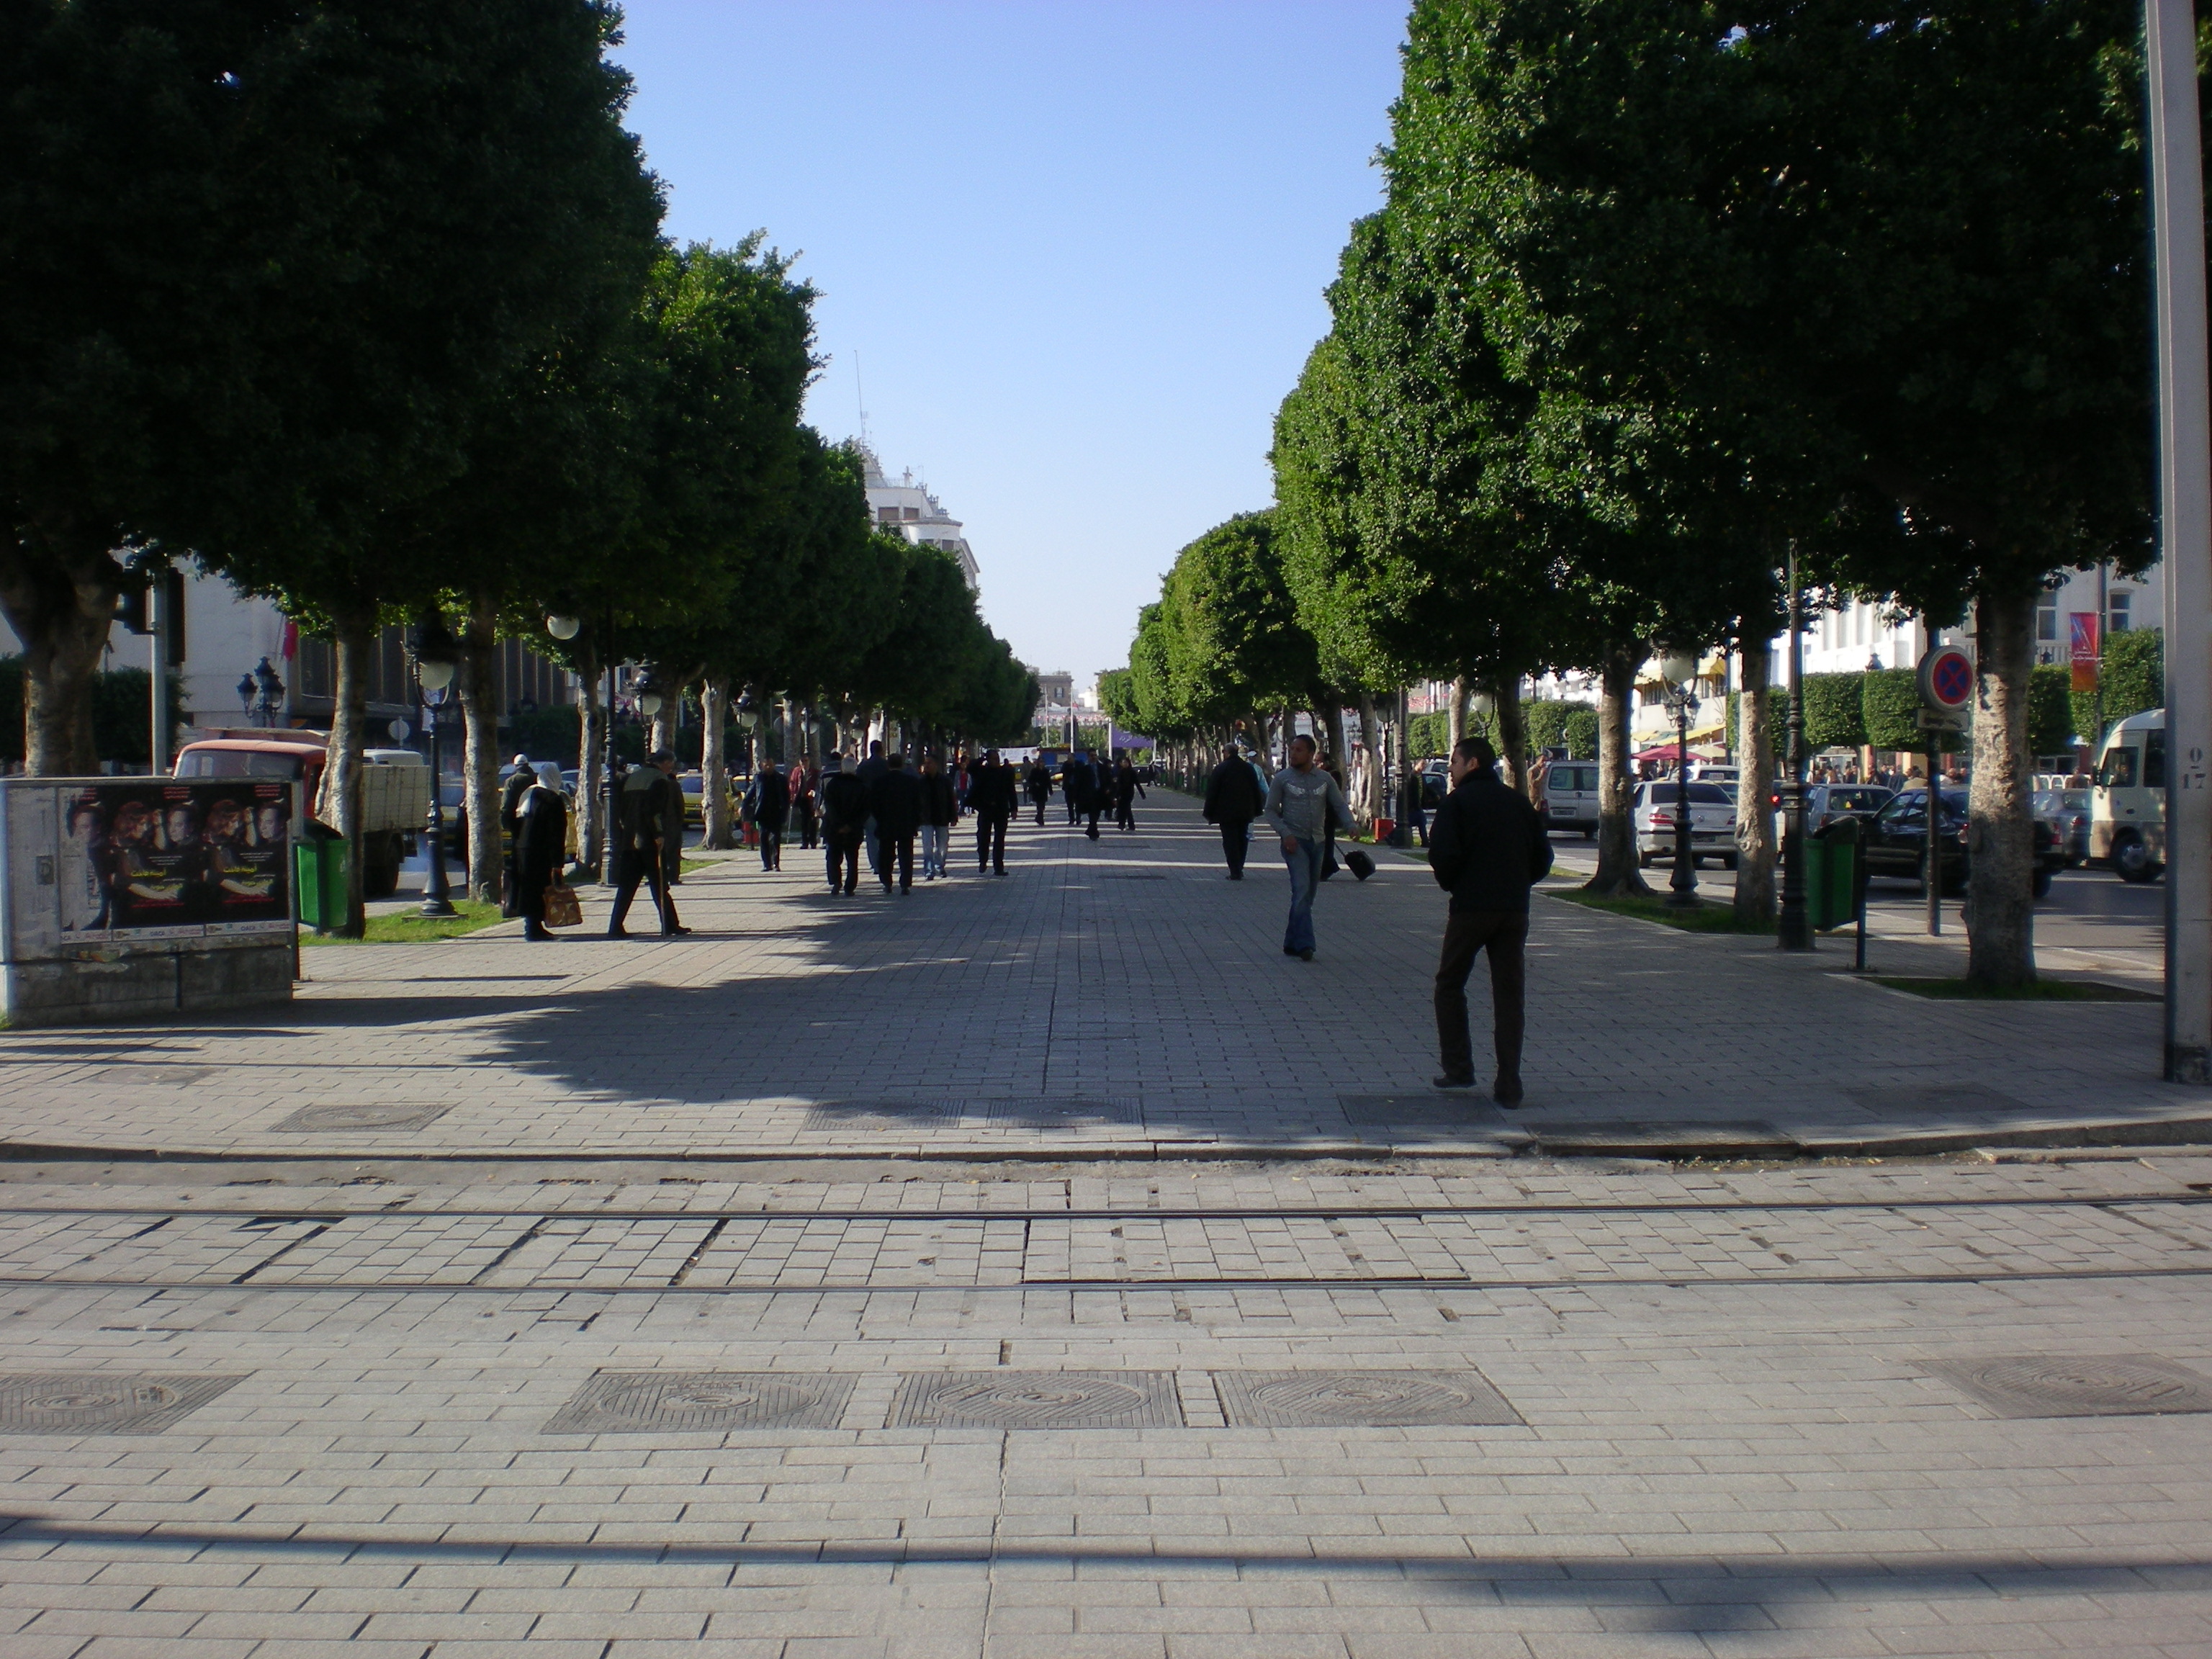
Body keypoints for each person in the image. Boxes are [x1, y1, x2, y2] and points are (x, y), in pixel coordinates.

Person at [1426, 735, 1553, 1103]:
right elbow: (1543, 857)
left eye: (1454, 762)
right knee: (1509, 994)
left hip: (1471, 908)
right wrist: (1517, 883)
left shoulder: (1457, 803)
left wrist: (1455, 884)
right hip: (1514, 909)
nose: (1450, 769)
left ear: (1472, 764)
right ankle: (1509, 1082)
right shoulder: (1517, 803)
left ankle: (1459, 1069)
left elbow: (1443, 854)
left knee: (1450, 984)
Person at [1262, 732, 1353, 961]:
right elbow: (1270, 811)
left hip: (1318, 842)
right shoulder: (1283, 779)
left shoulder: (1324, 779)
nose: (1293, 754)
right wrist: (1286, 834)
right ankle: (1306, 944)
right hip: (1295, 843)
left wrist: (1350, 824)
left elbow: (1339, 804)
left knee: (1308, 895)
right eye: (1291, 749)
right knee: (1301, 890)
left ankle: (1291, 941)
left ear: (1311, 754)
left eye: (1298, 750)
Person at [607, 748, 689, 937]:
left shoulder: (632, 778)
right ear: (665, 763)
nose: (672, 768)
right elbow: (654, 811)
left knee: (626, 887)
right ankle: (669, 925)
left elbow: (621, 810)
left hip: (630, 839)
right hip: (649, 841)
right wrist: (658, 834)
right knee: (659, 884)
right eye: (671, 763)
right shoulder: (660, 780)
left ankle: (615, 927)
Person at [513, 762, 570, 942]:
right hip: (541, 851)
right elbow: (556, 833)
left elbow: (516, 817)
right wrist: (557, 863)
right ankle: (533, 929)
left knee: (529, 889)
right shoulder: (553, 800)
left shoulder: (530, 794)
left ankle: (533, 926)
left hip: (524, 848)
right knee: (540, 889)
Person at [1202, 745, 1266, 879]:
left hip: (1226, 813)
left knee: (1230, 841)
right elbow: (1256, 790)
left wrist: (1208, 812)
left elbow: (1212, 791)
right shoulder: (1248, 769)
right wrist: (1257, 809)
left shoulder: (1221, 768)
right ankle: (1239, 866)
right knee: (1242, 839)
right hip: (1245, 812)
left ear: (1227, 753)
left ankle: (1234, 870)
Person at [868, 751, 924, 894]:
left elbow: (874, 804)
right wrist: (916, 822)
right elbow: (918, 804)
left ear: (888, 765)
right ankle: (905, 883)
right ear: (902, 765)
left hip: (886, 823)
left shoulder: (880, 782)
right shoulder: (911, 782)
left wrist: (879, 819)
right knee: (906, 854)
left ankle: (887, 881)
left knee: (886, 854)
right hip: (906, 823)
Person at [819, 754, 868, 895]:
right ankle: (850, 887)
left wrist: (839, 824)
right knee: (852, 860)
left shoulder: (833, 785)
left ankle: (836, 882)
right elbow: (865, 810)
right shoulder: (861, 786)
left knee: (833, 857)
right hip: (854, 830)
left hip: (834, 828)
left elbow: (830, 806)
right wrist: (852, 825)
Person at [498, 754, 534, 917]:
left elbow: (506, 807)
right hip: (535, 828)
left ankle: (513, 905)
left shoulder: (512, 781)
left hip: (517, 828)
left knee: (514, 869)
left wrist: (506, 826)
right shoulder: (536, 779)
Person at [969, 747, 1016, 874]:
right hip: (985, 809)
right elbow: (970, 767)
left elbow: (1011, 791)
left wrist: (1014, 808)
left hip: (1001, 810)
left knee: (999, 839)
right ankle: (983, 860)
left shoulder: (1005, 773)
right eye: (994, 759)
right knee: (983, 837)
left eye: (998, 759)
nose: (997, 761)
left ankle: (998, 867)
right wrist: (982, 758)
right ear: (988, 760)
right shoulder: (982, 772)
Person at [745, 759, 789, 872]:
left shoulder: (781, 779)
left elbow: (786, 796)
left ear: (774, 765)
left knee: (776, 838)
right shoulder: (759, 778)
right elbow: (751, 793)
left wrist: (785, 809)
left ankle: (776, 863)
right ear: (763, 766)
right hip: (762, 813)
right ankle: (766, 864)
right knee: (763, 838)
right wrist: (743, 805)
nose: (769, 767)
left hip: (776, 812)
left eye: (771, 764)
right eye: (766, 765)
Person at [918, 752, 957, 880]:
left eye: (929, 763)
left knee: (942, 846)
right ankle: (929, 870)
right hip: (926, 818)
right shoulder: (921, 782)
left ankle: (939, 866)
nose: (927, 765)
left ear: (936, 765)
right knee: (927, 846)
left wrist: (953, 816)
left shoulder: (945, 781)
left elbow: (951, 799)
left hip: (942, 817)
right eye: (926, 763)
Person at [855, 739, 889, 878]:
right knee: (886, 837)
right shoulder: (886, 766)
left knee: (871, 837)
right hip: (885, 806)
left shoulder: (863, 766)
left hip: (868, 806)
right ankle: (885, 862)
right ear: (882, 750)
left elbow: (858, 786)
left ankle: (875, 865)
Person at [1110, 755, 1143, 832]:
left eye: (1126, 762)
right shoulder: (1121, 772)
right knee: (1124, 809)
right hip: (1121, 793)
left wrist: (1142, 793)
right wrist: (1116, 794)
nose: (1124, 764)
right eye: (1123, 762)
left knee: (1126, 808)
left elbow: (1137, 783)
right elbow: (1118, 784)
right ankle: (1126, 825)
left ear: (1129, 763)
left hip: (1129, 793)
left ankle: (1123, 825)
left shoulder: (1132, 772)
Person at [1025, 757, 1052, 826]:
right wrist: (1035, 783)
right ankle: (1041, 820)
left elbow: (1048, 781)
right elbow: (1030, 779)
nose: (1041, 763)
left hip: (1043, 790)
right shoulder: (1034, 771)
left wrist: (1050, 790)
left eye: (1043, 762)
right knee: (1039, 806)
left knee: (1042, 806)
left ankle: (1038, 818)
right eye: (1040, 762)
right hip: (1037, 790)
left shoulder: (1046, 771)